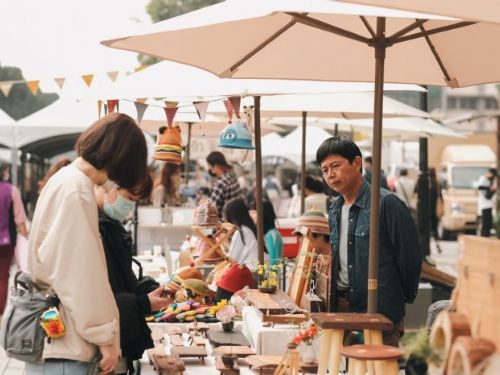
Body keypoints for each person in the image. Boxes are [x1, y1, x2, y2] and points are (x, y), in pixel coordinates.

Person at [27, 113, 148, 374]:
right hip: (70, 343)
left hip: (58, 332)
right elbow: (80, 273)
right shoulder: (77, 189)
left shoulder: (64, 180)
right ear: (121, 160)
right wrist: (105, 336)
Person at [317, 137, 422, 346]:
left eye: (335, 166)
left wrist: (398, 301)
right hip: (342, 306)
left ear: (357, 163)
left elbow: (410, 258)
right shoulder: (335, 208)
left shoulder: (386, 204)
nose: (330, 175)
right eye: (325, 169)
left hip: (379, 310)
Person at [95, 179, 172, 374]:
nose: (128, 206)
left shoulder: (110, 226)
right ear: (107, 187)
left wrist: (148, 290)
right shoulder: (95, 232)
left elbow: (123, 282)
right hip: (106, 347)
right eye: (128, 198)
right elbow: (101, 300)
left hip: (119, 338)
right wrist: (144, 303)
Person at [215, 198, 258, 301]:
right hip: (252, 273)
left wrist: (222, 243)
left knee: (219, 284)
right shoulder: (248, 229)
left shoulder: (241, 232)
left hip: (249, 274)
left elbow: (232, 259)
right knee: (219, 275)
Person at [0, 162, 28, 315]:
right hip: (6, 242)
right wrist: (26, 239)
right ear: (4, 172)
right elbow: (20, 219)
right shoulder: (12, 190)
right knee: (3, 277)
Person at [206, 151, 242, 217]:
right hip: (235, 219)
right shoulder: (232, 177)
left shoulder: (221, 184)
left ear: (215, 166)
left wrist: (196, 197)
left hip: (224, 223)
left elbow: (209, 210)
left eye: (209, 165)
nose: (209, 168)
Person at [477, 168, 497, 237]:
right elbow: (487, 195)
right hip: (485, 206)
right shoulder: (483, 179)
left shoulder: (488, 180)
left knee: (488, 225)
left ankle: (485, 237)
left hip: (488, 206)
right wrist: (493, 189)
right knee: (486, 225)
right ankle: (484, 238)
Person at [262, 200, 283, 265]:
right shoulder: (270, 233)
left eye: (254, 212)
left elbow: (273, 262)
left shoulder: (271, 235)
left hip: (271, 274)